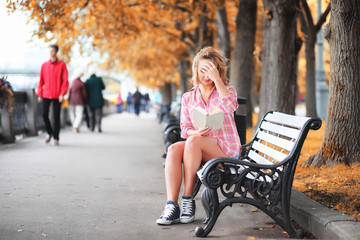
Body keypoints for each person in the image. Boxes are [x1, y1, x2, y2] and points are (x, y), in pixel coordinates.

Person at [156, 47, 241, 225]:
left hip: (225, 150)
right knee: (173, 148)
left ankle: (187, 199)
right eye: (203, 70)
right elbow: (185, 127)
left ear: (219, 71)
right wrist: (195, 132)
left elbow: (231, 106)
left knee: (193, 141)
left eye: (211, 71)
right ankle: (172, 205)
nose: (206, 76)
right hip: (198, 146)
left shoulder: (227, 90)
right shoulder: (188, 97)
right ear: (196, 70)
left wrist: (218, 80)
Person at [37, 44, 69, 146]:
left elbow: (65, 81)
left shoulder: (62, 65)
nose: (51, 53)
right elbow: (41, 81)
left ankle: (56, 137)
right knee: (44, 114)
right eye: (49, 51)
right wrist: (39, 94)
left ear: (56, 52)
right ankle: (49, 132)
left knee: (56, 117)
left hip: (57, 95)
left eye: (53, 51)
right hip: (46, 94)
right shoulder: (44, 65)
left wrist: (62, 93)